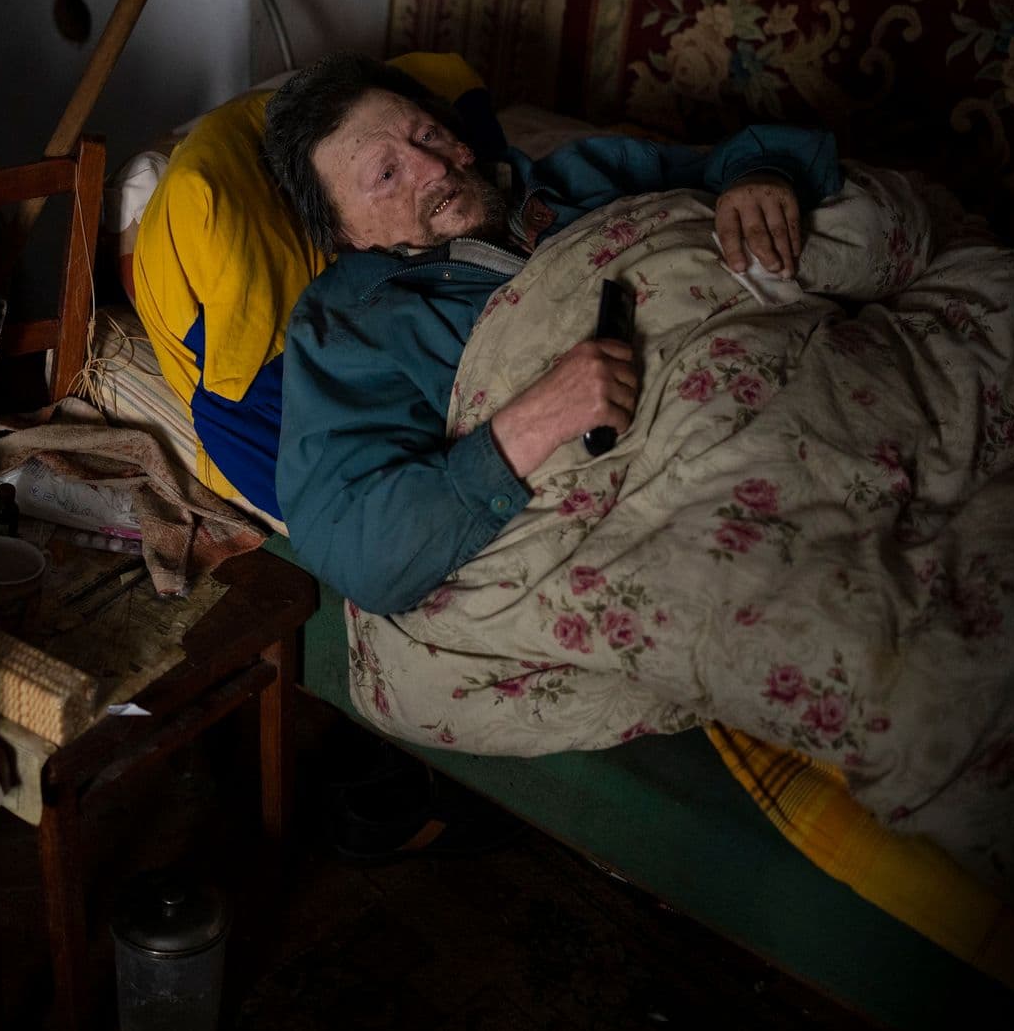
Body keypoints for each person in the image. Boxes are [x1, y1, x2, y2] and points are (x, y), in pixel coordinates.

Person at [266, 52, 841, 615]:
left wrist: (761, 175)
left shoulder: (574, 176)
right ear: (344, 232)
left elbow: (747, 157)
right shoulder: (344, 332)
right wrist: (537, 421)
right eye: (388, 174)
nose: (435, 169)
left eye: (428, 135)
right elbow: (362, 553)